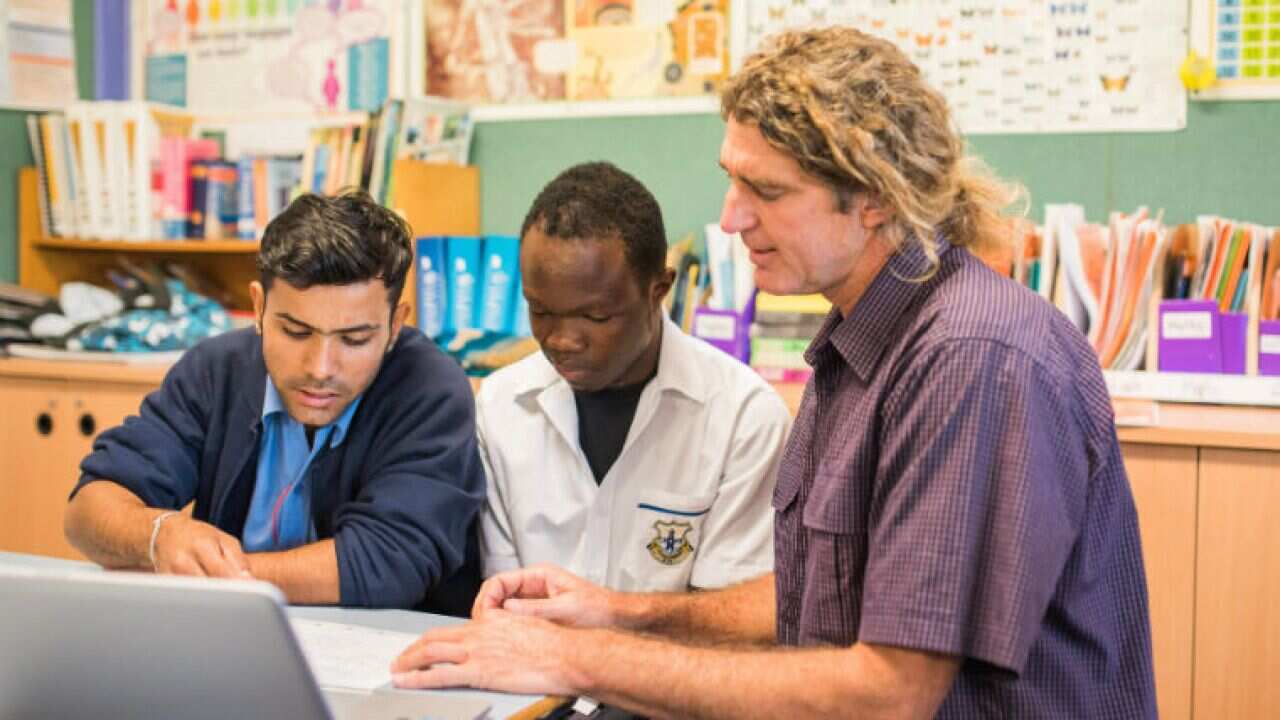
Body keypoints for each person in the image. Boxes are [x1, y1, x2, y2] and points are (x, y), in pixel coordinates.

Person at [390, 27, 1157, 718]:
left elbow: (890, 692)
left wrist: (571, 659)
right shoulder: (857, 345)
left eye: (768, 191)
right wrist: (618, 613)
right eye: (734, 180)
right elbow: (814, 598)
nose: (730, 218)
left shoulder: (973, 361)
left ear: (874, 200)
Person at [65, 191, 486, 613]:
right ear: (259, 307)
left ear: (395, 325)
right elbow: (89, 507)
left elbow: (384, 563)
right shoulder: (215, 369)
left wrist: (216, 577)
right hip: (234, 637)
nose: (321, 367)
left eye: (354, 339)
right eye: (296, 332)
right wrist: (157, 535)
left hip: (387, 653)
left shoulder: (431, 388)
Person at [476, 161, 789, 593]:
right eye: (542, 311)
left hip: (679, 663)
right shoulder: (499, 408)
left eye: (597, 316)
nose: (563, 340)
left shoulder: (743, 418)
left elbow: (728, 623)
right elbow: (504, 600)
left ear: (658, 290)